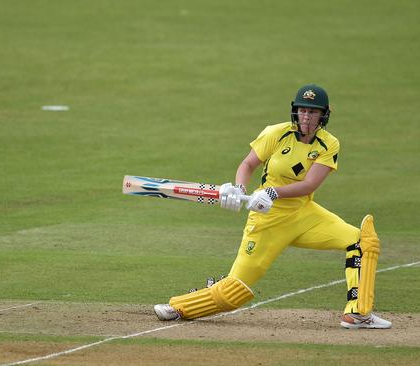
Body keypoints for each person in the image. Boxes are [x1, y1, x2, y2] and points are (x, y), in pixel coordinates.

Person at [153, 84, 391, 329]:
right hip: (267, 219)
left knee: (362, 241)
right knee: (234, 291)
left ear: (324, 115)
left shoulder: (329, 144)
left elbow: (309, 185)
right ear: (295, 112)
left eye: (313, 112)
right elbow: (247, 165)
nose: (307, 117)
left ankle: (358, 314)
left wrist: (272, 191)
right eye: (303, 111)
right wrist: (239, 190)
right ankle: (179, 306)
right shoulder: (276, 134)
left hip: (304, 215)